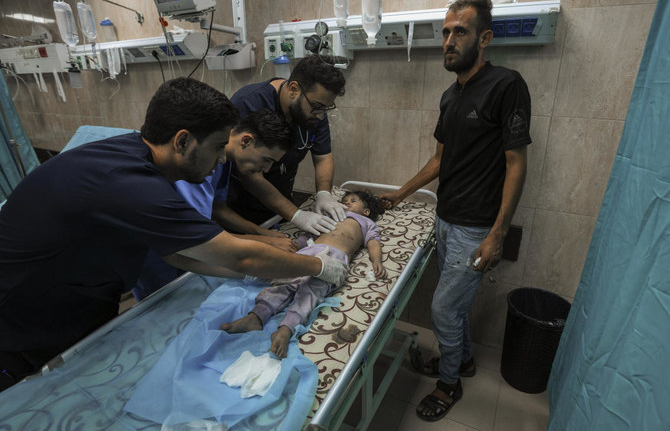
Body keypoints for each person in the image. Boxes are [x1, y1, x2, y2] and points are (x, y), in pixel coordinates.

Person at [0, 77, 348, 392]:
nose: (221, 160)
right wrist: (315, 267)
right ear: (182, 141)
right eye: (216, 147)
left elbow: (175, 253)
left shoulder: (135, 157)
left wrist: (253, 271)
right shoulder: (131, 184)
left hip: (76, 302)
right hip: (20, 323)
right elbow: (237, 254)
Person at [380, 0, 531, 422]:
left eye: (459, 31)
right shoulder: (450, 96)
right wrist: (401, 193)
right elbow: (439, 159)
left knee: (443, 310)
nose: (449, 40)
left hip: (475, 227)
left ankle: (449, 384)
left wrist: (498, 233)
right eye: (445, 31)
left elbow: (516, 163)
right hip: (444, 219)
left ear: (484, 38)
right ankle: (461, 360)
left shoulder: (506, 85)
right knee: (455, 306)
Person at [133, 109, 298, 300]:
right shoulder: (194, 167)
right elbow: (196, 237)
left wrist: (261, 232)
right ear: (246, 141)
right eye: (266, 160)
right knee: (164, 311)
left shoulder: (225, 162)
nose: (267, 169)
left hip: (191, 251)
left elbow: (218, 209)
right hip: (163, 258)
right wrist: (265, 242)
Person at [220, 190, 387, 359]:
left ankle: (286, 329)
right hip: (308, 251)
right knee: (284, 281)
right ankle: (256, 316)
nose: (347, 203)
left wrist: (377, 261)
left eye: (353, 201)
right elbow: (311, 232)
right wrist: (294, 245)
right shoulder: (332, 216)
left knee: (310, 291)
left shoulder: (365, 222)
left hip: (334, 258)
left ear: (366, 211)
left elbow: (373, 242)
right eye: (344, 200)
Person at [226, 54, 347, 235]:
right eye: (317, 107)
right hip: (240, 211)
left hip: (280, 206)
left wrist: (323, 194)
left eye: (325, 109)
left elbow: (323, 157)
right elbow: (249, 173)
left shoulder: (314, 110)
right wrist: (296, 215)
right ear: (293, 89)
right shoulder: (249, 102)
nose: (320, 116)